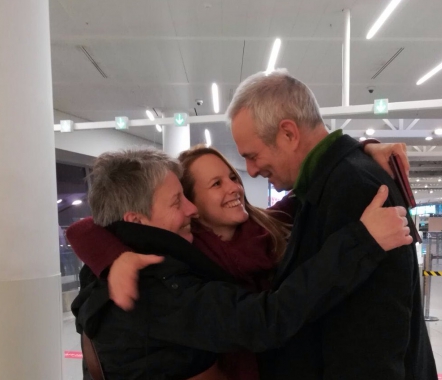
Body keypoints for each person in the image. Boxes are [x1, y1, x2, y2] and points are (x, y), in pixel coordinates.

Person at [70, 147, 411, 380]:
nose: (189, 209)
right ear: (137, 220)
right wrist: (363, 242)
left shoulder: (260, 230)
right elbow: (266, 319)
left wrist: (352, 150)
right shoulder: (158, 282)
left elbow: (305, 195)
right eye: (180, 201)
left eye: (231, 176)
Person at [226, 69, 438, 379]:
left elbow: (373, 336)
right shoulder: (331, 182)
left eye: (253, 156)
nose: (251, 170)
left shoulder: (354, 188)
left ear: (288, 133)